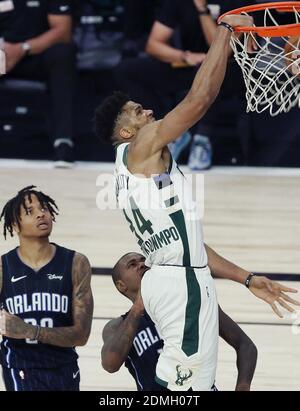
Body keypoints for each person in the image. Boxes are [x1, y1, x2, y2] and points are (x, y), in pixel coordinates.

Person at [94, 14, 300, 391]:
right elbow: (200, 98)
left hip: (171, 276)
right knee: (188, 389)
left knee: (179, 384)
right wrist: (225, 29)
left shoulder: (134, 173)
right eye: (139, 112)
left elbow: (187, 244)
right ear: (126, 132)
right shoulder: (140, 146)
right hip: (180, 282)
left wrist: (247, 278)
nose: (151, 113)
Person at [101, 252, 258, 391]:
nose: (142, 264)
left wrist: (243, 386)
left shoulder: (191, 300)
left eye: (143, 260)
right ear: (121, 286)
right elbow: (110, 364)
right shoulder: (116, 327)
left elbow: (246, 345)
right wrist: (138, 307)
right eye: (132, 265)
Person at [0, 186, 94, 391]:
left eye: (44, 209)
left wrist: (30, 331)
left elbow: (82, 335)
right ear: (16, 225)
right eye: (30, 212)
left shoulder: (76, 263)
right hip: (20, 367)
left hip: (64, 367)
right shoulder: (3, 267)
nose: (41, 214)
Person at [0, 0, 77, 167]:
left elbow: (63, 30)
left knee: (63, 53)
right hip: (2, 54)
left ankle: (63, 141)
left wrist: (23, 48)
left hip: (37, 52)